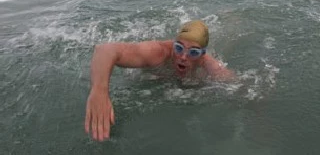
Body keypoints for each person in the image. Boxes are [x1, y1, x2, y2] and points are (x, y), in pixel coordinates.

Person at [84, 20, 235, 141]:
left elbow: (240, 88)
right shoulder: (157, 52)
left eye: (193, 52)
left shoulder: (213, 68)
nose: (183, 56)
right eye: (179, 48)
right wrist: (99, 91)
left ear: (202, 55)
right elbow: (104, 50)